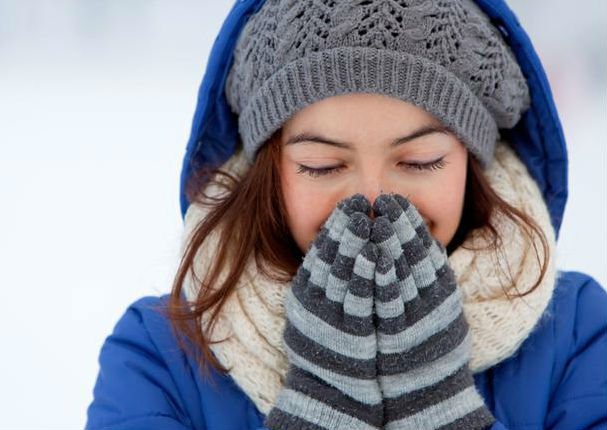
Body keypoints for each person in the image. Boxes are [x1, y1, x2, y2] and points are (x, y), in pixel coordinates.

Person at [84, 0, 607, 429]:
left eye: (420, 161)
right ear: (271, 172)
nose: (374, 200)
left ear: (471, 163)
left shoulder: (579, 335)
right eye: (323, 165)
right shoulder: (158, 358)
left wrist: (438, 409)